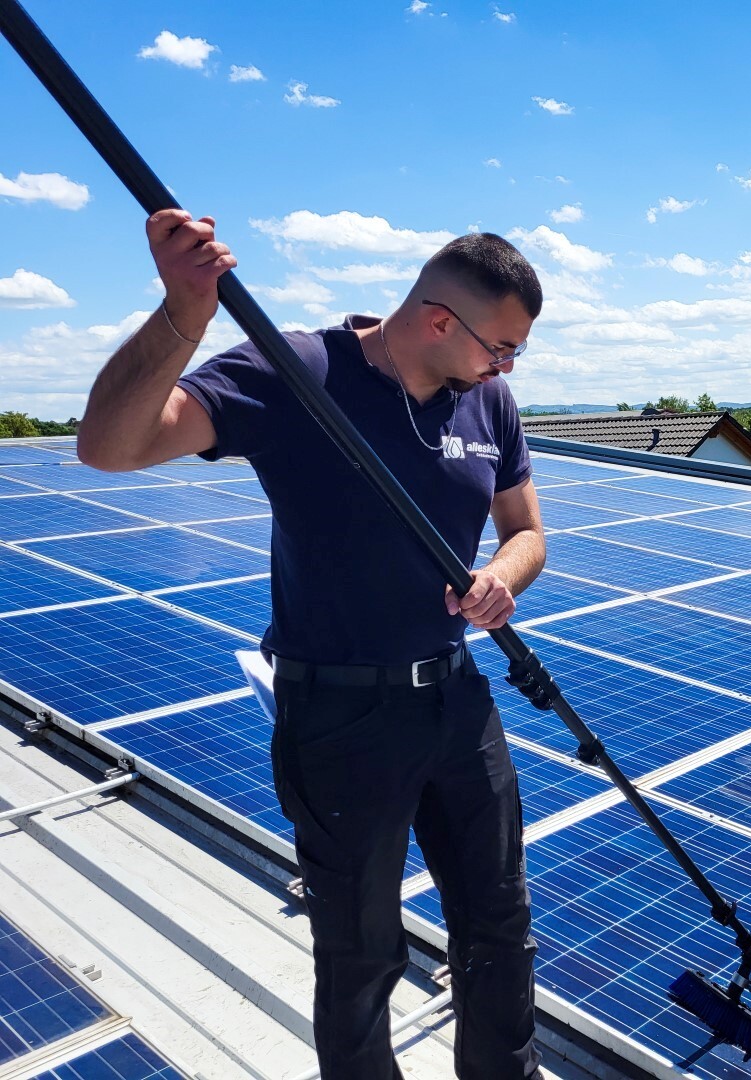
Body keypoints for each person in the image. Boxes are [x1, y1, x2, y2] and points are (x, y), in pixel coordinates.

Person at [77, 210, 547, 1079]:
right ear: (442, 319)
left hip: (455, 697)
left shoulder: (490, 402)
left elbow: (526, 530)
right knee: (362, 952)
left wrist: (504, 580)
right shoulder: (294, 372)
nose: (507, 366)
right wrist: (185, 312)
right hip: (340, 716)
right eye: (504, 347)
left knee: (499, 927)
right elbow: (108, 447)